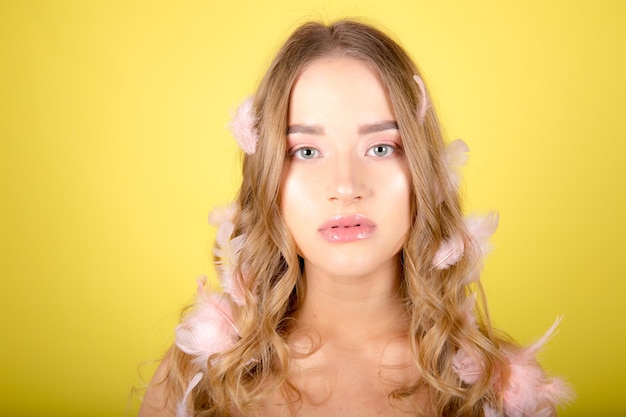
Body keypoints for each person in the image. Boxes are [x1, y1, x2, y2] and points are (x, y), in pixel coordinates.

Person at [139, 20, 571, 417]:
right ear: (269, 178)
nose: (345, 186)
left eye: (381, 147)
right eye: (306, 152)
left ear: (424, 171)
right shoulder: (200, 378)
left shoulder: (497, 390)